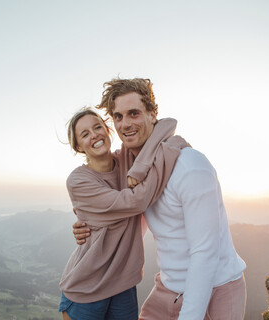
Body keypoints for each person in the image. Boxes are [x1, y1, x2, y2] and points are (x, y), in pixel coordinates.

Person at [73, 78, 247, 319]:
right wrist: (90, 226)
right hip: (168, 288)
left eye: (134, 113)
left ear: (152, 114)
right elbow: (123, 212)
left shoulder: (191, 166)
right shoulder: (133, 169)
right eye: (118, 116)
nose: (125, 124)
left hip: (216, 289)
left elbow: (204, 253)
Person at [59, 107, 188, 320]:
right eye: (85, 134)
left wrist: (169, 145)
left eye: (97, 127)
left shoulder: (128, 159)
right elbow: (137, 201)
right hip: (87, 287)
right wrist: (171, 150)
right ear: (78, 146)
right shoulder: (78, 181)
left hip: (123, 285)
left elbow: (167, 124)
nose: (94, 135)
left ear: (108, 130)